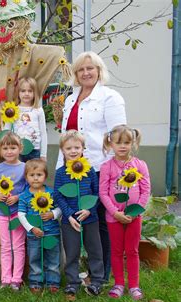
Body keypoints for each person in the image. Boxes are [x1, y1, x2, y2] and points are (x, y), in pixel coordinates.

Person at [57, 51, 127, 283]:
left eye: (91, 68)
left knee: (99, 225)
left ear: (99, 71)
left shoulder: (110, 97)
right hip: (70, 169)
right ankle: (79, 271)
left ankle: (102, 275)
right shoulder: (70, 99)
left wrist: (117, 168)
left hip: (99, 168)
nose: (86, 73)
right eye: (81, 69)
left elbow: (119, 135)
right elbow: (66, 136)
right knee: (76, 218)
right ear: (75, 74)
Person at [99, 125, 151, 300]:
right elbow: (103, 193)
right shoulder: (107, 166)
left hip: (133, 218)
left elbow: (145, 190)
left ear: (133, 143)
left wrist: (135, 212)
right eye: (118, 142)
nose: (122, 146)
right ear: (110, 144)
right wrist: (115, 213)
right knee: (116, 251)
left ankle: (134, 286)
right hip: (114, 218)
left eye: (127, 142)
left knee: (132, 251)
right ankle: (119, 284)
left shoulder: (140, 165)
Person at [54, 130, 104, 300]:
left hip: (90, 218)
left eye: (77, 147)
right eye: (69, 148)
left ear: (83, 148)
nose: (73, 151)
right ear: (63, 150)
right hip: (70, 221)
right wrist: (68, 216)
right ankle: (72, 283)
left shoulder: (89, 171)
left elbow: (97, 193)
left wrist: (90, 209)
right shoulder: (61, 173)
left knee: (94, 250)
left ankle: (97, 281)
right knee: (72, 251)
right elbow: (58, 196)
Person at [0, 132, 27, 291]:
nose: (9, 151)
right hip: (2, 212)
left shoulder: (24, 167)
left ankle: (16, 279)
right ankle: (5, 278)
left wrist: (18, 197)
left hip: (18, 213)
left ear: (20, 148)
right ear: (0, 150)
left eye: (13, 147)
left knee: (18, 245)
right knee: (5, 245)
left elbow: (29, 190)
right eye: (5, 148)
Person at [18, 159, 62, 294]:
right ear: (26, 177)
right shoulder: (25, 196)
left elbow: (60, 208)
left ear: (45, 176)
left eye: (39, 174)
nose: (35, 178)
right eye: (32, 175)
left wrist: (53, 214)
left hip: (52, 232)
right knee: (34, 259)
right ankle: (36, 281)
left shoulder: (51, 193)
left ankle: (53, 282)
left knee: (53, 259)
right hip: (34, 235)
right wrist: (31, 228)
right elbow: (21, 215)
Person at [4, 77, 47, 162]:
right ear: (18, 93)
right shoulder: (13, 110)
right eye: (23, 91)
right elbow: (7, 131)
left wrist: (43, 154)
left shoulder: (38, 110)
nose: (26, 94)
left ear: (34, 93)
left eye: (30, 91)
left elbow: (43, 133)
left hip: (35, 150)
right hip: (17, 151)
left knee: (34, 173)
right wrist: (7, 151)